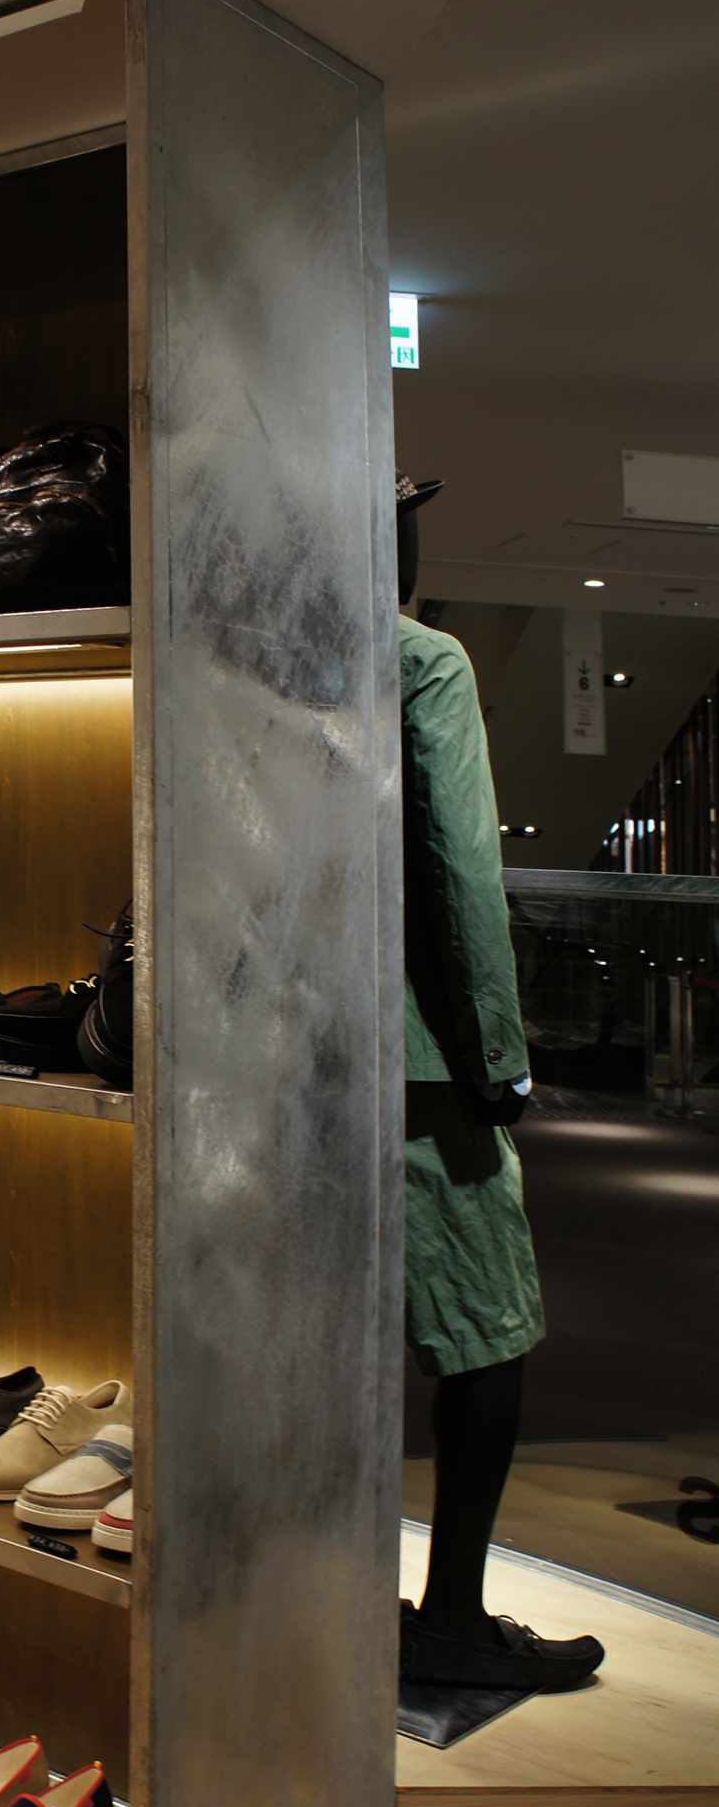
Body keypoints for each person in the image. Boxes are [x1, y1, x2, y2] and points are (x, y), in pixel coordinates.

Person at [395, 473, 604, 1691]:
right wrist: (499, 1052)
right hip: (416, 1056)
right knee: (485, 1328)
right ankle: (451, 1621)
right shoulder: (418, 659)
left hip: (260, 1056)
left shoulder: (234, 649)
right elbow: (459, 866)